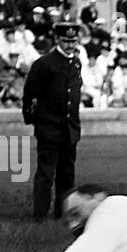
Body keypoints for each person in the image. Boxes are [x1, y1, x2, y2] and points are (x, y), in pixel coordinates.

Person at [23, 22, 84, 221]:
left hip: (69, 128)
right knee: (46, 174)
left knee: (67, 175)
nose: (70, 45)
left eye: (73, 41)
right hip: (49, 127)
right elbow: (30, 94)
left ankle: (63, 213)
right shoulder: (44, 64)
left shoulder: (76, 63)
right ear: (57, 40)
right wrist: (33, 120)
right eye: (66, 41)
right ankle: (40, 215)